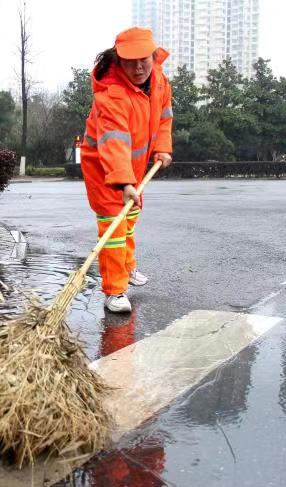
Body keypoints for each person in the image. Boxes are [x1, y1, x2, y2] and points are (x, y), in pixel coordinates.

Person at [80, 26, 174, 314]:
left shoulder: (159, 81)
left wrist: (162, 147)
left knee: (130, 217)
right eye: (130, 61)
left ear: (153, 55)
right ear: (118, 60)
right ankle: (114, 290)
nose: (138, 67)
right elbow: (114, 141)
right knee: (114, 228)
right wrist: (123, 183)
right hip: (104, 168)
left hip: (133, 166)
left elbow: (165, 117)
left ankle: (127, 266)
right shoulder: (112, 95)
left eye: (143, 59)